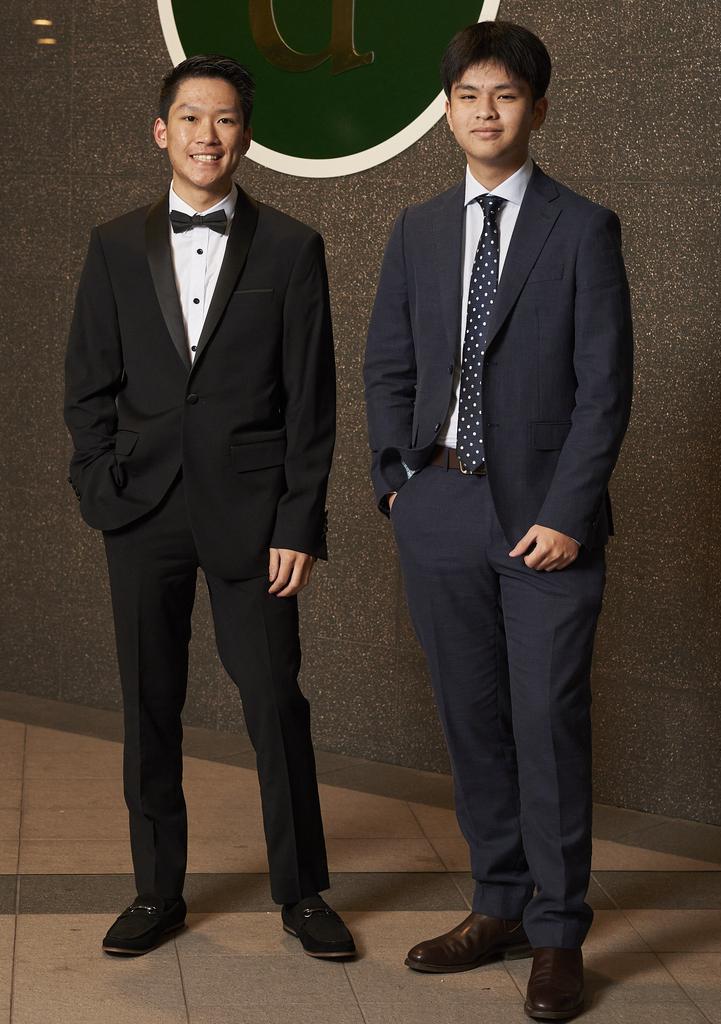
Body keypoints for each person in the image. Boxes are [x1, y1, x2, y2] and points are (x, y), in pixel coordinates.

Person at [364, 21, 632, 1021]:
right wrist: (398, 483)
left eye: (507, 95)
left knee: (546, 723)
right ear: (447, 109)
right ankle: (500, 903)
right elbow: (388, 362)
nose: (486, 110)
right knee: (473, 721)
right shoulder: (416, 227)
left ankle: (560, 933)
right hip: (439, 507)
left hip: (546, 525)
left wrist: (568, 512)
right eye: (470, 94)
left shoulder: (583, 227)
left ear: (539, 109)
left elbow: (606, 386)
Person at [64, 54, 354, 961]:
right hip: (141, 510)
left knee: (275, 702)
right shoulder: (113, 245)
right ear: (162, 131)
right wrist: (98, 484)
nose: (207, 136)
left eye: (225, 120)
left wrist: (299, 521)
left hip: (254, 517)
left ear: (246, 135)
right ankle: (158, 889)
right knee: (150, 702)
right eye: (190, 118)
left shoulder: (292, 248)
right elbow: (87, 386)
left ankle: (303, 892)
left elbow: (313, 403)